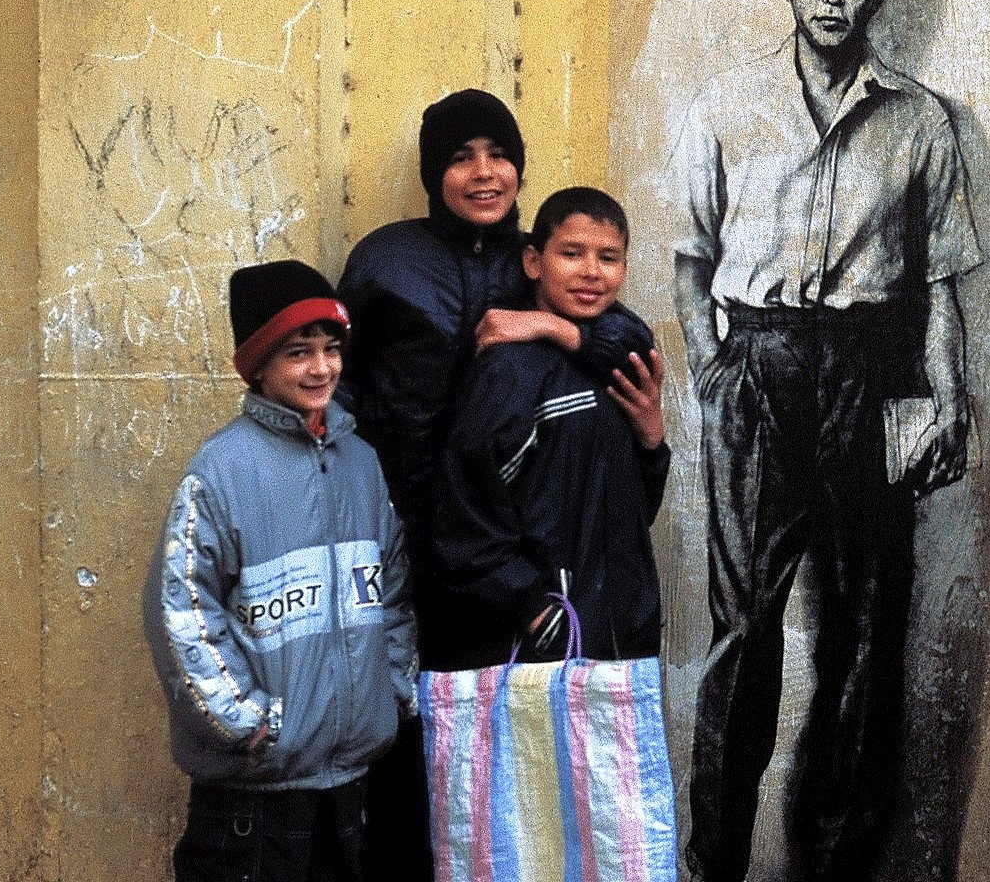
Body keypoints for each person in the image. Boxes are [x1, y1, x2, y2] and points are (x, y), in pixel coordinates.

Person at [671, 0, 982, 882]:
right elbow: (690, 260)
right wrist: (713, 371)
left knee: (865, 633)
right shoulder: (725, 106)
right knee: (744, 633)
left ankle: (838, 864)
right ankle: (711, 861)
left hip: (872, 371)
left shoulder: (920, 120)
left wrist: (949, 400)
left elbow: (939, 283)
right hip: (757, 372)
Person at [337, 88, 653, 877]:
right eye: (458, 158)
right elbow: (334, 379)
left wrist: (549, 326)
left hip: (503, 552)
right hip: (405, 538)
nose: (483, 173)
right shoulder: (388, 259)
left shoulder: (540, 256)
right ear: (430, 174)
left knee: (494, 763)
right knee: (405, 744)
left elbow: (625, 334)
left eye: (499, 154)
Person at [143, 260, 415, 882]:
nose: (322, 368)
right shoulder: (220, 471)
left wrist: (391, 688)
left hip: (349, 780)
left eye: (331, 349)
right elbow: (182, 608)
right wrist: (245, 719)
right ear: (258, 363)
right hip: (256, 794)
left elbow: (393, 588)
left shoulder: (360, 464)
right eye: (298, 352)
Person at [432, 187, 669, 670]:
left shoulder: (620, 368)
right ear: (533, 262)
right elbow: (462, 509)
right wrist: (534, 609)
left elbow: (631, 512)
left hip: (621, 631)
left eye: (609, 257)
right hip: (541, 644)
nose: (591, 272)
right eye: (571, 253)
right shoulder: (509, 370)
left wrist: (650, 444)